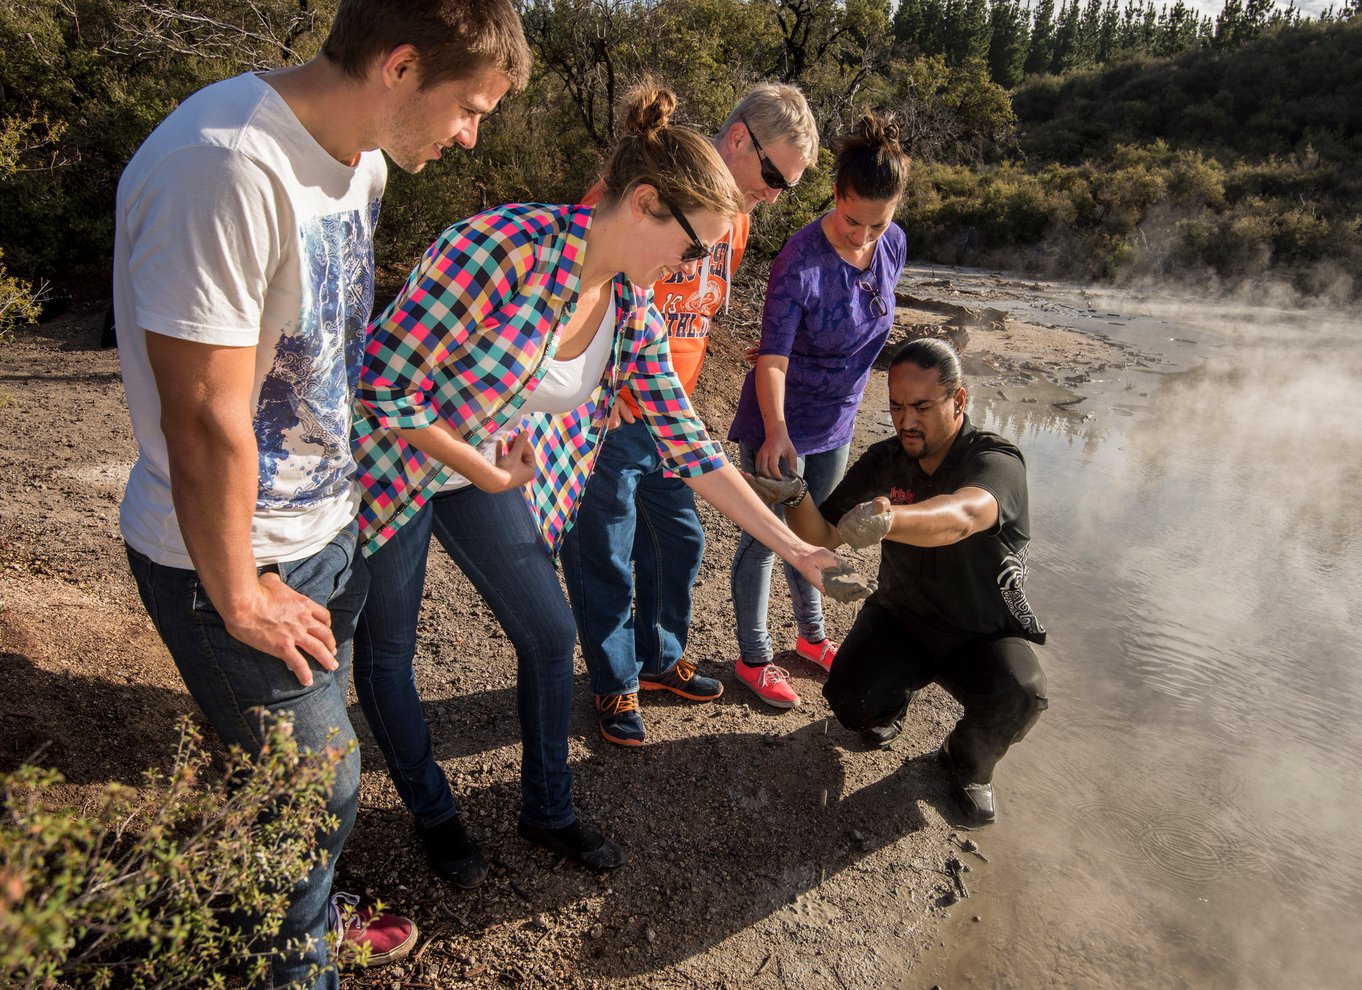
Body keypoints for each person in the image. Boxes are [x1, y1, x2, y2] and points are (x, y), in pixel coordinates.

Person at [113, 1, 531, 984]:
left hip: (322, 532)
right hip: (224, 555)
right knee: (318, 788)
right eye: (469, 108)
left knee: (297, 780)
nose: (470, 135)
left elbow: (324, 349)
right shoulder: (221, 163)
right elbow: (207, 419)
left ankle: (289, 910)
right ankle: (290, 962)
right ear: (398, 67)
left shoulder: (366, 162)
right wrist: (243, 592)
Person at [351, 82, 855, 876]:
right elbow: (378, 384)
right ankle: (435, 816)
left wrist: (797, 548)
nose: (694, 268)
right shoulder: (501, 248)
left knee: (551, 636)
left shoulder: (630, 304)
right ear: (647, 204)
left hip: (487, 468)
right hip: (396, 458)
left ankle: (547, 809)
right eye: (693, 250)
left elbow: (691, 448)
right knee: (389, 656)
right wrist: (482, 469)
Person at [559, 84, 820, 747]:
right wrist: (600, 384)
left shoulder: (736, 219)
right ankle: (615, 680)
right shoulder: (647, 190)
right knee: (608, 555)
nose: (774, 193)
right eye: (771, 176)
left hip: (670, 410)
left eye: (786, 187)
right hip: (612, 416)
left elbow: (694, 320)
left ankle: (659, 659)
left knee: (680, 541)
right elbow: (573, 293)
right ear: (738, 139)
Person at [755, 338, 1048, 825]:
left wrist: (891, 520)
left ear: (959, 400)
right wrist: (797, 494)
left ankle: (966, 762)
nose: (906, 420)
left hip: (982, 632)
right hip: (902, 618)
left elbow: (962, 514)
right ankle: (891, 706)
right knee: (852, 701)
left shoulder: (996, 461)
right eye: (895, 406)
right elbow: (823, 533)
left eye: (921, 407)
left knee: (1022, 694)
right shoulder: (885, 460)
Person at [727, 112, 912, 708]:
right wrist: (777, 432)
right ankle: (753, 656)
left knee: (818, 530)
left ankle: (811, 639)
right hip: (778, 425)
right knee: (764, 541)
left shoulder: (894, 246)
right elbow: (772, 357)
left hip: (836, 424)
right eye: (853, 219)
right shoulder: (799, 261)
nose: (863, 236)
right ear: (835, 195)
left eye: (877, 225)